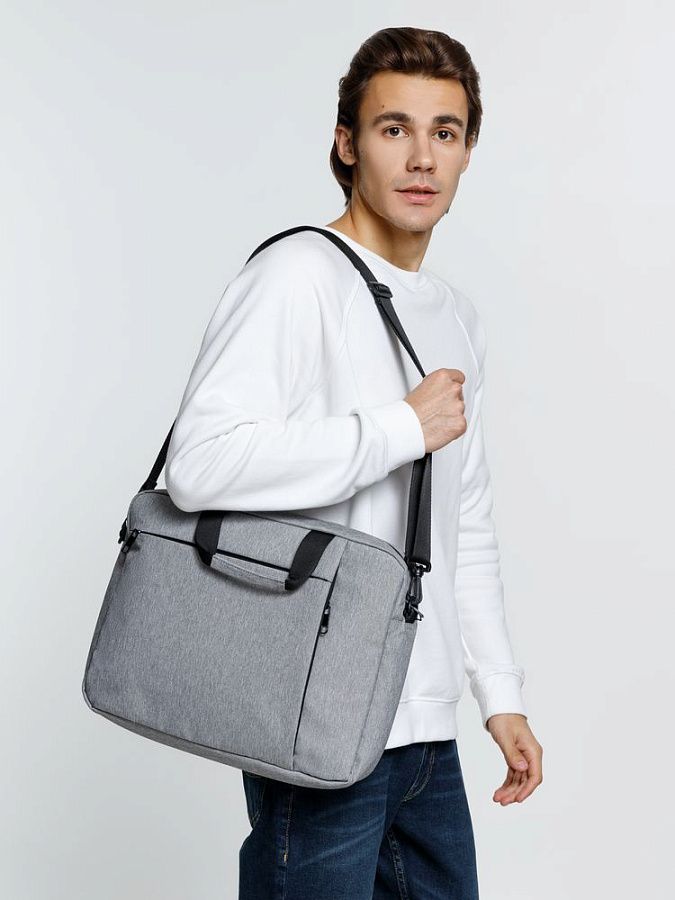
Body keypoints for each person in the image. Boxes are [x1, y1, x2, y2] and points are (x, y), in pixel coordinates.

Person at [164, 25, 543, 900]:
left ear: (467, 152)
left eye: (444, 132)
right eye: (392, 128)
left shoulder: (455, 316)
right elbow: (200, 464)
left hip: (425, 729)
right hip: (315, 713)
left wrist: (498, 693)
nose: (421, 157)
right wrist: (396, 429)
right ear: (346, 144)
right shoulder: (298, 275)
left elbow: (464, 524)